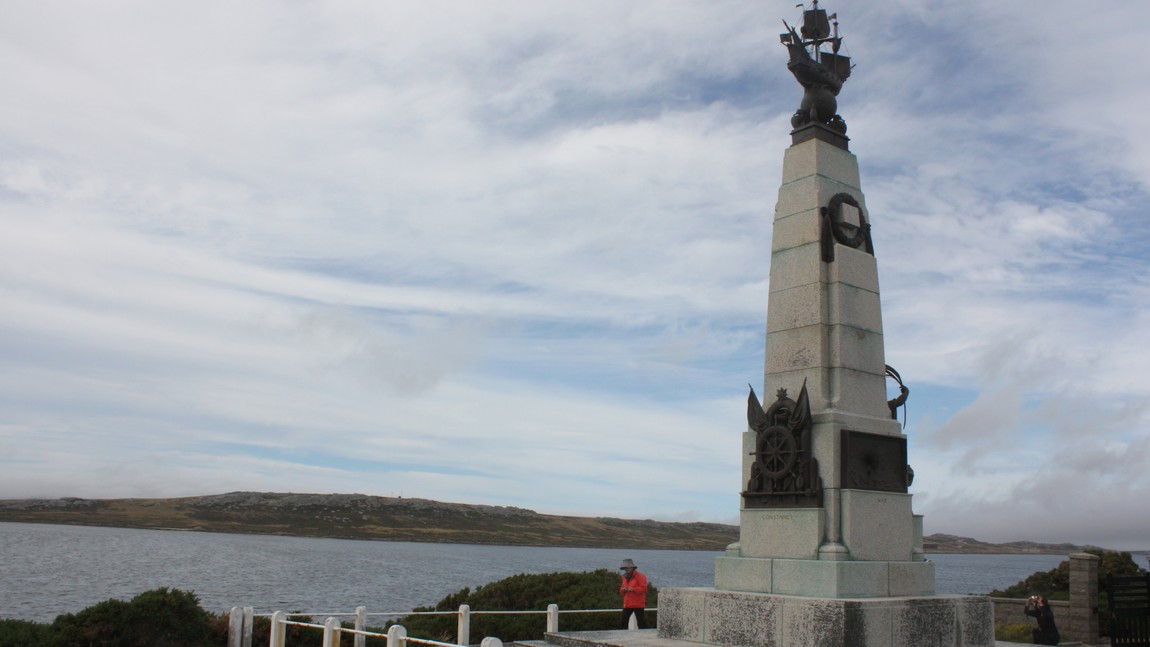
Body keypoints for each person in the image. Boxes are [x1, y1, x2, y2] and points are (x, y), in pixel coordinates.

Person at [617, 558, 648, 629]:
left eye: (627, 567)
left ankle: (644, 637)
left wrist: (633, 589)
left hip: (638, 604)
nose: (626, 569)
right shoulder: (624, 577)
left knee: (641, 623)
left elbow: (644, 589)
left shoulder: (641, 576)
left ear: (632, 567)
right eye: (625, 567)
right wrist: (623, 590)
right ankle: (623, 637)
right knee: (623, 622)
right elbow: (621, 591)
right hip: (627, 604)